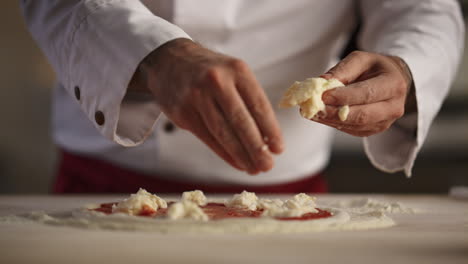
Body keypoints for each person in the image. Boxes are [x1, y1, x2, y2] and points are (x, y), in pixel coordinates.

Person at [21, 0, 464, 193]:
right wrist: (150, 54)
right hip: (105, 176)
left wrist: (409, 64)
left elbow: (423, 6)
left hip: (290, 191)